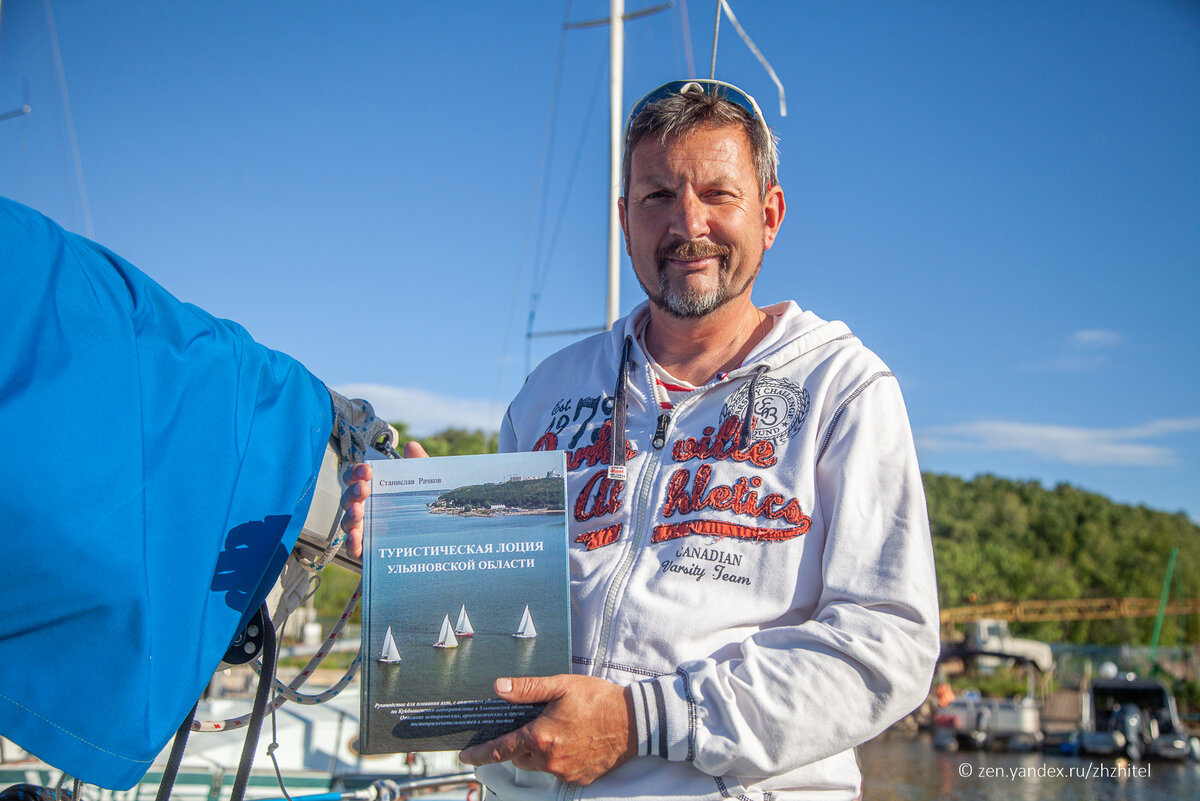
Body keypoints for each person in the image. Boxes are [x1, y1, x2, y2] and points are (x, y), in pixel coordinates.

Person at [345, 79, 939, 799]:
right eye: (657, 196)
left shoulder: (844, 388)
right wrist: (419, 549)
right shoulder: (548, 393)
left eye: (718, 193)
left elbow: (887, 643)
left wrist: (637, 721)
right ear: (625, 221)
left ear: (770, 214)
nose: (688, 223)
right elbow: (499, 630)